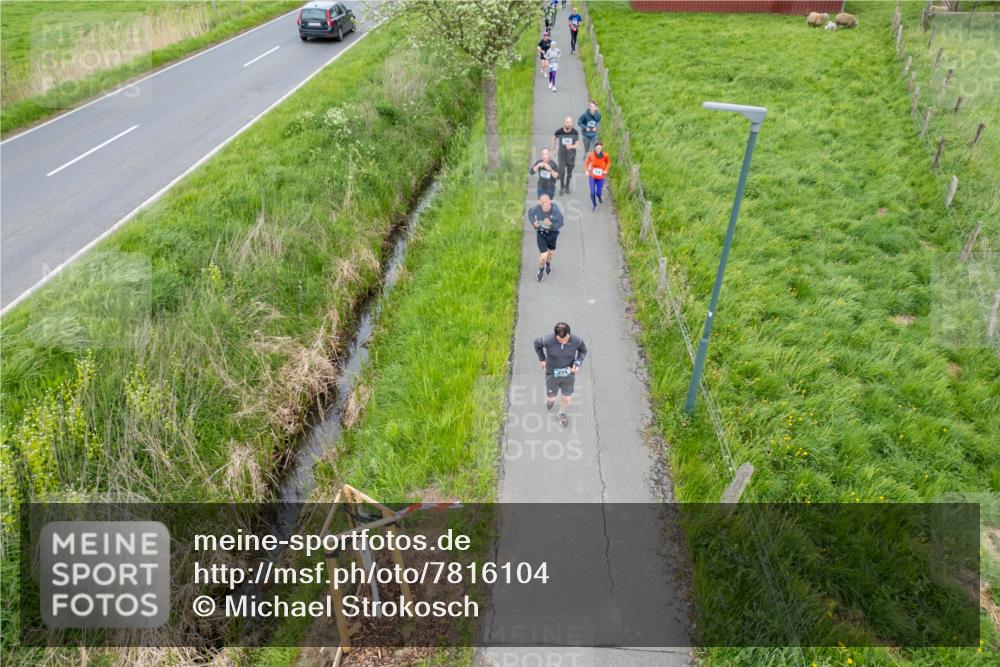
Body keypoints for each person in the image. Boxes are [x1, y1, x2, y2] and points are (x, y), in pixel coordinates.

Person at [534, 322, 588, 428]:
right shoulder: (547, 340)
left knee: (567, 399)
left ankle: (561, 413)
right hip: (552, 374)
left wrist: (578, 362)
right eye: (560, 340)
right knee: (551, 398)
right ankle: (551, 400)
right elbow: (536, 344)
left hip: (569, 374)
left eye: (566, 339)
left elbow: (583, 351)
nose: (563, 342)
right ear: (555, 336)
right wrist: (542, 359)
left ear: (569, 334)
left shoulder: (577, 340)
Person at [527, 194, 564, 282]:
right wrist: (533, 223)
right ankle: (540, 272)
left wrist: (551, 224)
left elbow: (561, 223)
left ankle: (548, 265)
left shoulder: (555, 210)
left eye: (545, 202)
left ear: (550, 201)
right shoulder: (537, 208)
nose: (543, 204)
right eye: (541, 202)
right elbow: (530, 213)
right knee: (544, 255)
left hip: (552, 236)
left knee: (549, 254)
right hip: (541, 235)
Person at [551, 116, 580, 195]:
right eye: (567, 122)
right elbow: (553, 138)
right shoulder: (560, 131)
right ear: (564, 122)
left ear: (572, 123)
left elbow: (577, 144)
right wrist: (553, 149)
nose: (569, 124)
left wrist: (571, 146)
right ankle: (562, 186)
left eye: (570, 122)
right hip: (562, 155)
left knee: (569, 173)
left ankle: (567, 186)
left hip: (571, 156)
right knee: (562, 172)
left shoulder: (575, 132)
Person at [584, 141, 610, 212]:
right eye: (597, 148)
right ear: (595, 148)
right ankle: (595, 205)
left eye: (600, 149)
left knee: (598, 193)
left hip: (600, 177)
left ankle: (599, 196)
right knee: (592, 193)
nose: (599, 150)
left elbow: (608, 163)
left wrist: (606, 170)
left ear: (602, 149)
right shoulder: (591, 155)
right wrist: (586, 170)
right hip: (592, 176)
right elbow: (586, 163)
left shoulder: (605, 155)